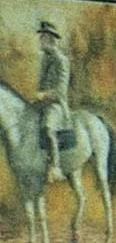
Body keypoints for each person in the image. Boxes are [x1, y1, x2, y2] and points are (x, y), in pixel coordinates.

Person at [36, 20, 72, 183]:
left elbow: (61, 91)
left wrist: (43, 95)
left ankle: (55, 168)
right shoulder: (44, 59)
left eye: (43, 38)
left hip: (56, 105)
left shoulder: (61, 60)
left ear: (50, 39)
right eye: (41, 37)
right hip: (43, 103)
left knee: (48, 129)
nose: (40, 41)